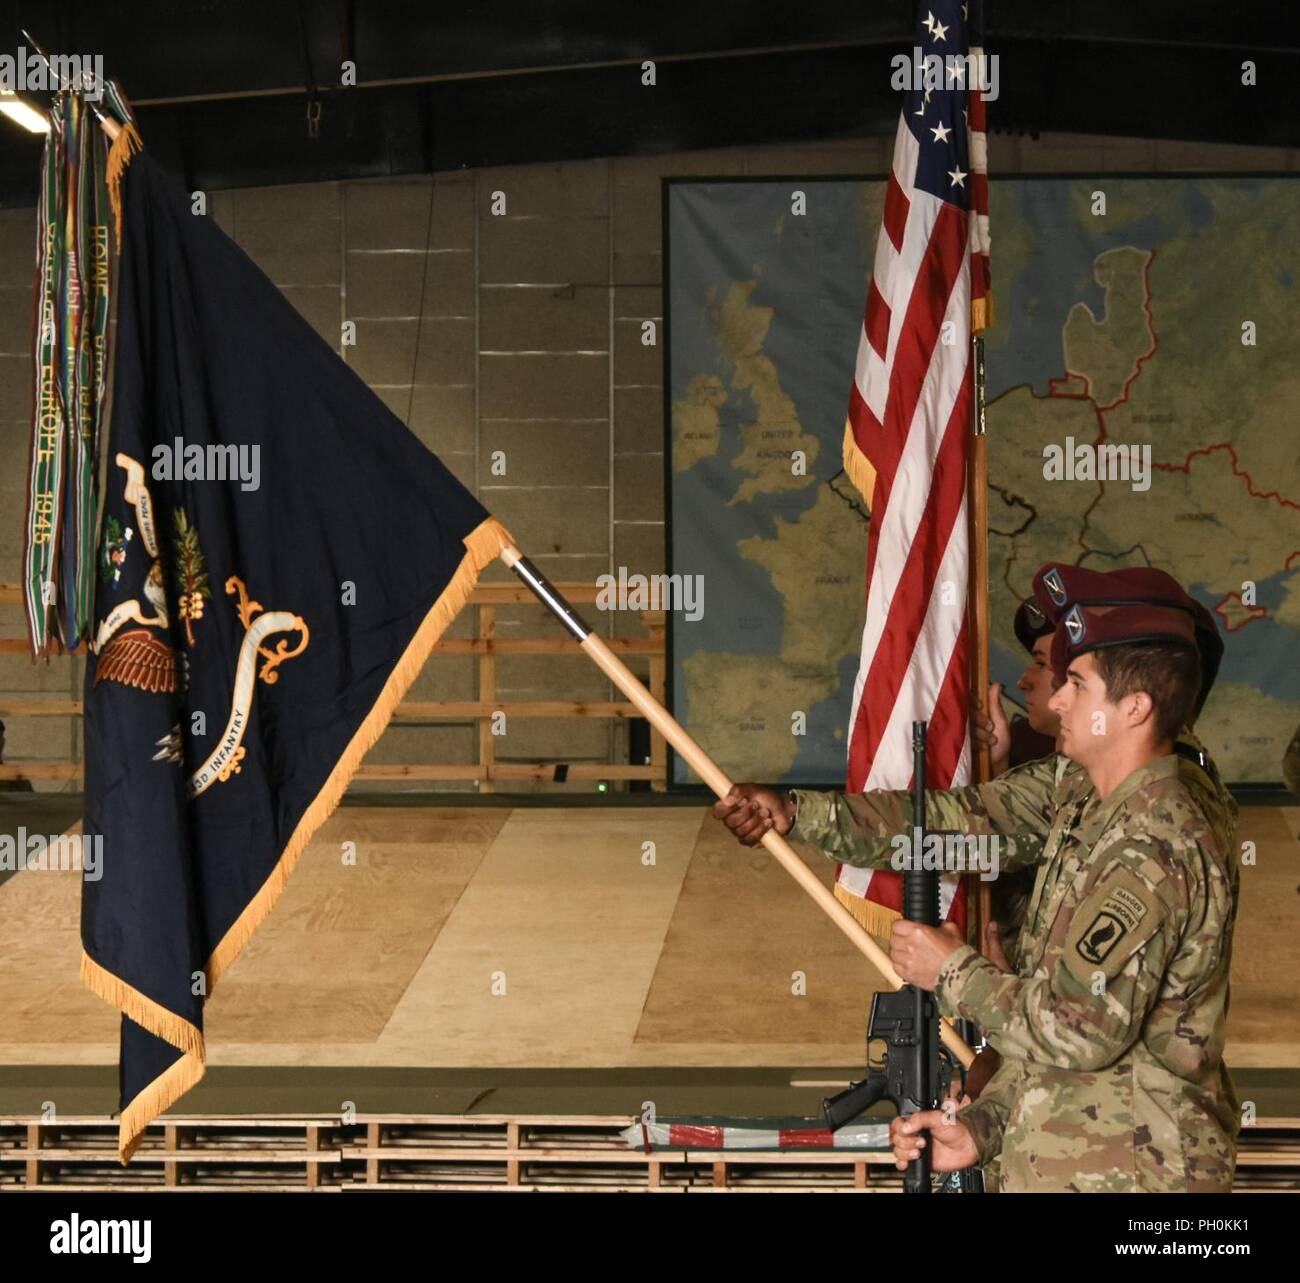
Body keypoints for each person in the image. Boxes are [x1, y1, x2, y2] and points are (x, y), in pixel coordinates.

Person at [714, 573, 1240, 1192]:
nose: (1053, 696)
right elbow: (957, 821)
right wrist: (986, 1129)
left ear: (1135, 707)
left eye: (1075, 681)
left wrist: (954, 970)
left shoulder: (1154, 840)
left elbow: (1079, 1029)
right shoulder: (1084, 792)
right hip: (1069, 1161)